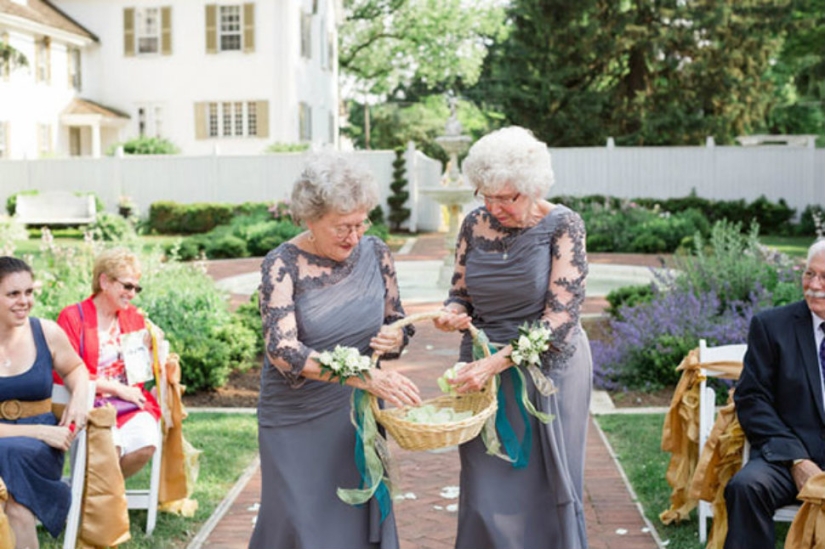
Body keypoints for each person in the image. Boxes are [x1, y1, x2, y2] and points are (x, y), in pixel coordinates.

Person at [248, 152, 421, 549]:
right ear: (310, 218)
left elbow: (397, 319)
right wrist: (366, 376)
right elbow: (282, 349)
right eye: (342, 227)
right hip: (295, 416)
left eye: (361, 224)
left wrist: (395, 338)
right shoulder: (282, 264)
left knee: (353, 519)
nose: (354, 236)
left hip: (356, 414)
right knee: (300, 518)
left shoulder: (376, 253)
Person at [434, 126, 592, 549]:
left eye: (508, 198)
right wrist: (453, 314)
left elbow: (559, 319)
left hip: (548, 370)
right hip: (481, 372)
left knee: (547, 488)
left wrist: (497, 362)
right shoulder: (473, 225)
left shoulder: (565, 226)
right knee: (486, 494)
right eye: (486, 196)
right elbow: (461, 293)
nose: (495, 207)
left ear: (533, 187)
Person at [724, 239, 825, 549]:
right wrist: (797, 459)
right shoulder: (772, 326)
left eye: (824, 278)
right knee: (746, 487)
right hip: (786, 455)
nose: (814, 286)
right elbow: (752, 399)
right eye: (809, 274)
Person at [0, 256, 89, 549]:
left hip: (39, 450)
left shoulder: (46, 332)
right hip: (35, 435)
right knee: (15, 506)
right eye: (13, 293)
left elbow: (77, 369)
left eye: (28, 292)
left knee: (11, 458)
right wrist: (38, 431)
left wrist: (79, 396)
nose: (24, 301)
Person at [56, 248, 161, 479]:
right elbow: (62, 372)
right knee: (108, 446)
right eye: (127, 286)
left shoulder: (134, 317)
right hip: (90, 401)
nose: (132, 293)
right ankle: (103, 501)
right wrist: (116, 389)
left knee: (146, 443)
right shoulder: (73, 317)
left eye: (136, 288)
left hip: (128, 403)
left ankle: (102, 495)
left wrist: (153, 351)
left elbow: (139, 373)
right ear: (104, 281)